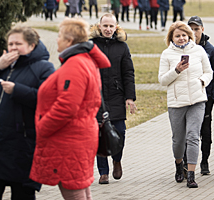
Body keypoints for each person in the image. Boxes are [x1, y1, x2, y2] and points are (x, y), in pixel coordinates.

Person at [30, 18, 111, 199]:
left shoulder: (75, 64)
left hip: (69, 140)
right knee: (80, 188)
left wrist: (42, 128)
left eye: (59, 36)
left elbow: (66, 107)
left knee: (73, 190)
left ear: (69, 41)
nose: (56, 40)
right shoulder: (84, 61)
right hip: (76, 137)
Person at [0, 26, 55, 200]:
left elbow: (48, 98)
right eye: (10, 43)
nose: (13, 47)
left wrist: (18, 90)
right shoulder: (2, 65)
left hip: (22, 149)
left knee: (22, 195)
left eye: (18, 43)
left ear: (32, 46)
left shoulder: (44, 67)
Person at [158, 22, 213, 188]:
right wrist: (176, 70)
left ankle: (191, 174)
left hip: (197, 100)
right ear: (171, 38)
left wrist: (201, 82)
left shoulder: (199, 51)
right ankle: (178, 164)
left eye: (184, 35)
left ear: (190, 36)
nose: (181, 38)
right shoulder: (167, 54)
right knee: (178, 140)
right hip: (176, 103)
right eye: (177, 36)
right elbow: (162, 80)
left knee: (193, 136)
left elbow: (209, 72)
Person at [90, 14, 137, 183]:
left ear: (116, 27)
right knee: (99, 135)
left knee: (120, 132)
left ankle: (117, 160)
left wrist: (130, 97)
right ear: (99, 26)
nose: (108, 29)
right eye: (105, 26)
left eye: (111, 26)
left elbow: (128, 73)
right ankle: (103, 172)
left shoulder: (122, 47)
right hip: (97, 97)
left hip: (117, 96)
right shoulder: (91, 46)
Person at [187, 16, 214, 175]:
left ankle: (205, 161)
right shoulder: (183, 49)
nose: (194, 33)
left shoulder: (211, 51)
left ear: (202, 29)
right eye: (191, 29)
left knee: (205, 131)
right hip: (188, 98)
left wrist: (213, 98)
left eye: (196, 29)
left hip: (205, 98)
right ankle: (186, 162)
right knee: (188, 132)